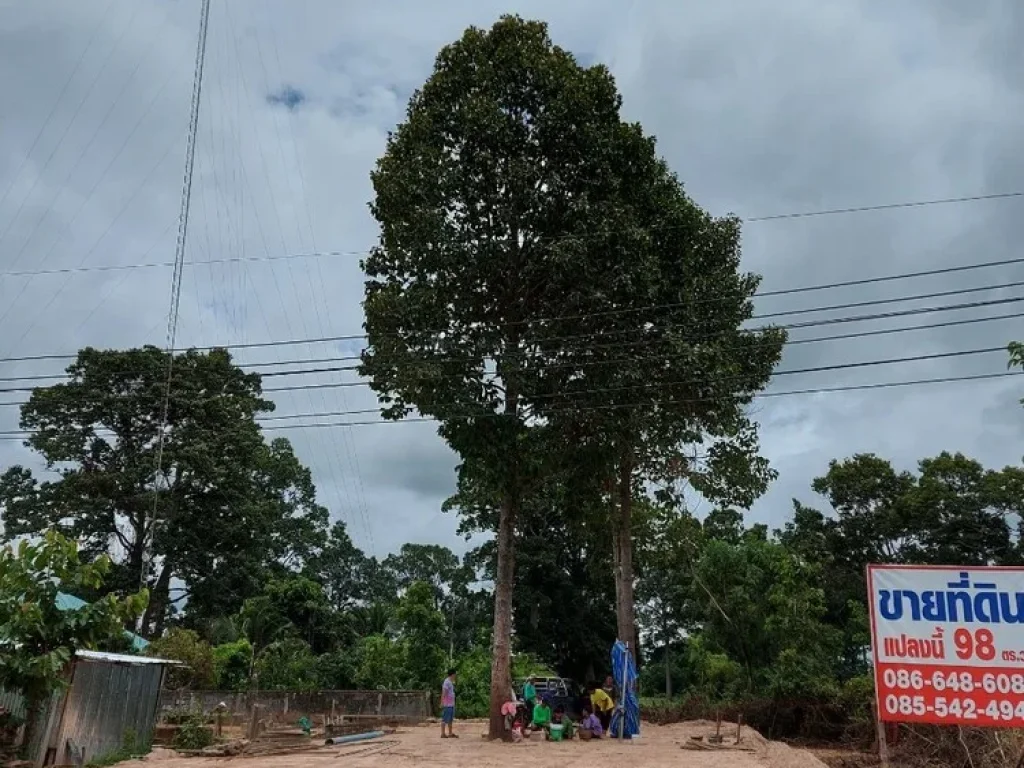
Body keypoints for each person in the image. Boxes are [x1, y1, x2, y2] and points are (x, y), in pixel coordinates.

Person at [440, 668, 458, 739]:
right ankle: (443, 733)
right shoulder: (447, 682)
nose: (456, 676)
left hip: (451, 704)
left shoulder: (450, 682)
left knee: (450, 719)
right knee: (445, 718)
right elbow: (444, 692)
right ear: (453, 674)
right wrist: (442, 702)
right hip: (447, 704)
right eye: (455, 674)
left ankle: (450, 733)